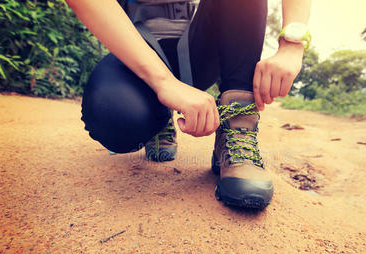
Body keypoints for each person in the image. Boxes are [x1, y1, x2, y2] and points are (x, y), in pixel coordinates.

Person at [65, 0, 311, 209]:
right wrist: (163, 83)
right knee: (115, 117)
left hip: (201, 47)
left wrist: (292, 44)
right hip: (134, 47)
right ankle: (159, 116)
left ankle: (237, 128)